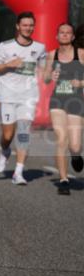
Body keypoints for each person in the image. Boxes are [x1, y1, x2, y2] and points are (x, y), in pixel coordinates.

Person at [0, 11, 48, 185]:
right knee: (8, 135)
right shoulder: (5, 46)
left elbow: (43, 70)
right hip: (7, 95)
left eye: (31, 25)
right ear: (18, 26)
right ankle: (5, 151)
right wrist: (8, 64)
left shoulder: (40, 48)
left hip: (28, 96)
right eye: (24, 25)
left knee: (23, 133)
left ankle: (18, 172)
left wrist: (50, 75)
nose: (28, 28)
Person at [42, 22, 84, 194]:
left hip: (76, 101)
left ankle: (76, 156)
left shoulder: (81, 53)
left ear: (73, 37)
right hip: (57, 101)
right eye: (62, 32)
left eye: (68, 32)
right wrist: (50, 75)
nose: (65, 35)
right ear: (56, 36)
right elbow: (45, 78)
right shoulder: (52, 55)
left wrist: (80, 83)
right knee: (61, 139)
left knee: (75, 145)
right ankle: (63, 180)